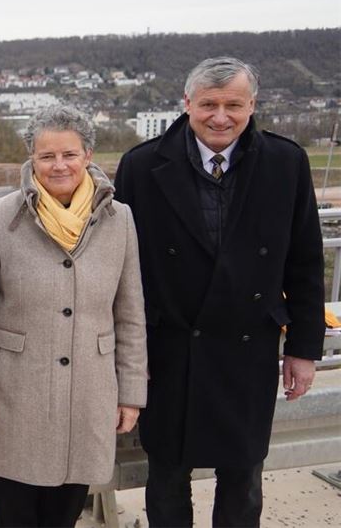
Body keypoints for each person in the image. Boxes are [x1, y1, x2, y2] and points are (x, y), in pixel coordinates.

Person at [114, 56, 326, 527]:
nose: (220, 116)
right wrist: (129, 353)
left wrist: (304, 349)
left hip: (247, 349)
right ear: (187, 104)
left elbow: (306, 262)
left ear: (252, 105)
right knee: (167, 477)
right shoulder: (142, 165)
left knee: (243, 480)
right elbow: (123, 273)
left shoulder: (286, 163)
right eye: (208, 103)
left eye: (234, 104)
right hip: (168, 349)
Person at [0, 105, 148, 527]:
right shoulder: (0, 218)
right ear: (32, 159)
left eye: (69, 154)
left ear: (88, 155)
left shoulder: (121, 220)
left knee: (64, 517)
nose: (59, 165)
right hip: (14, 399)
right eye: (47, 156)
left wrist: (131, 392)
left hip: (89, 397)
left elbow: (131, 315)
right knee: (17, 517)